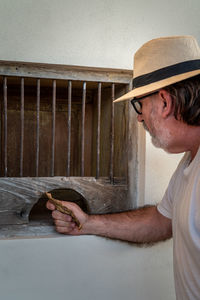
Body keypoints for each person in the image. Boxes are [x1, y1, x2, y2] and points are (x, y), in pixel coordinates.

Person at [46, 35, 200, 300]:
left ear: (165, 102)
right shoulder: (190, 161)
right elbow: (162, 221)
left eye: (140, 104)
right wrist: (87, 222)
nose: (139, 116)